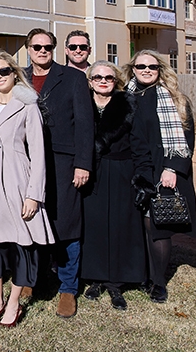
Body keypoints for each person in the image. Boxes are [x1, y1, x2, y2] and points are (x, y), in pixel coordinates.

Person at [0, 51, 54, 328]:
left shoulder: (27, 105)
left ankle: (14, 302)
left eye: (4, 71)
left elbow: (38, 152)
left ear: (14, 72)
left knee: (21, 243)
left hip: (17, 180)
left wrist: (34, 194)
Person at [23, 29, 94, 319]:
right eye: (37, 46)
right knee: (31, 221)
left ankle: (67, 288)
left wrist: (83, 163)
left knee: (66, 224)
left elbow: (85, 123)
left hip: (62, 161)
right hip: (27, 161)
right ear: (28, 49)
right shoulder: (19, 78)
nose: (42, 51)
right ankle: (31, 280)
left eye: (48, 47)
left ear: (54, 49)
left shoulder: (73, 78)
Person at [126, 50, 196, 304]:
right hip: (132, 169)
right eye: (141, 66)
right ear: (132, 69)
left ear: (160, 70)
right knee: (136, 225)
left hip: (162, 170)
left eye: (152, 67)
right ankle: (140, 275)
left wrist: (172, 168)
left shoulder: (174, 98)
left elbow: (187, 137)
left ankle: (158, 282)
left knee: (157, 226)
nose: (146, 70)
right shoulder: (125, 96)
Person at [81, 60, 145, 311]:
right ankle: (95, 277)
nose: (103, 81)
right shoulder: (82, 103)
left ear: (116, 80)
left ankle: (116, 282)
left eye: (108, 77)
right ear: (90, 81)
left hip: (121, 170)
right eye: (97, 77)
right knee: (94, 224)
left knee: (121, 225)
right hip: (91, 170)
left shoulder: (128, 104)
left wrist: (141, 175)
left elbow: (139, 142)